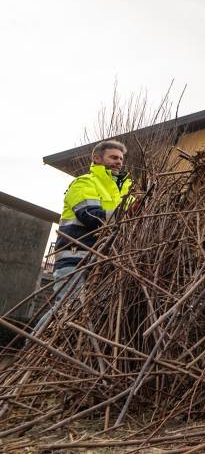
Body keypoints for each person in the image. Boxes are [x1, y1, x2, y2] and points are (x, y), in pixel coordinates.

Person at [35, 140, 132, 331]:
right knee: (66, 307)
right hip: (75, 257)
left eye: (121, 159)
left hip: (105, 261)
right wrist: (128, 213)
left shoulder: (124, 191)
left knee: (93, 312)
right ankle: (31, 349)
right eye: (113, 157)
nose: (119, 162)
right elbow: (90, 216)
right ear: (97, 158)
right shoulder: (84, 183)